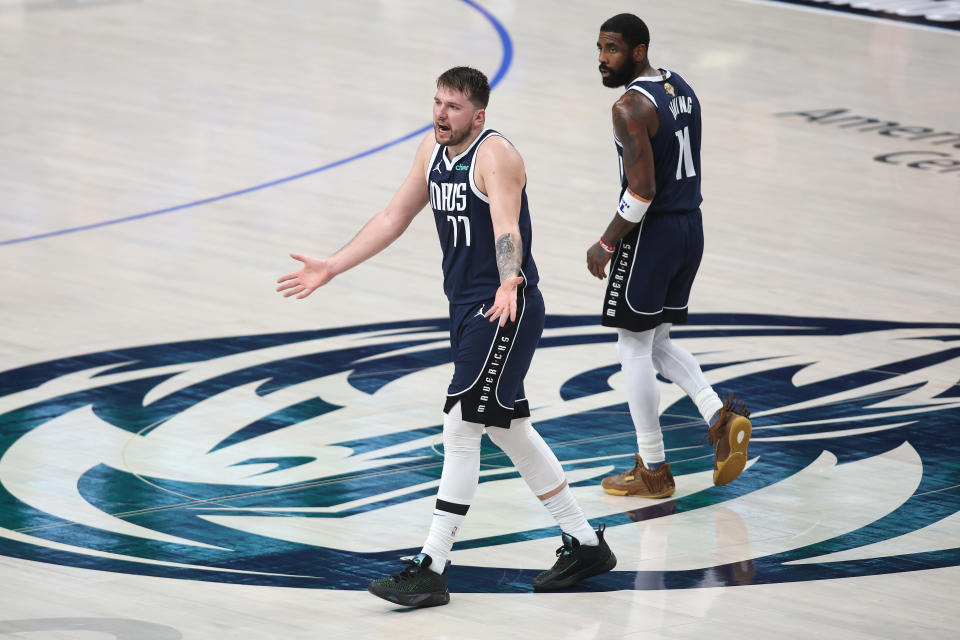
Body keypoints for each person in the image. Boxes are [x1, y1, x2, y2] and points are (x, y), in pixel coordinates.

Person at [277, 66, 615, 607]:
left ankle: (432, 564)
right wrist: (332, 267)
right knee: (509, 431)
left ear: (478, 115)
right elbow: (393, 216)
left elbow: (507, 225)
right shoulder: (431, 152)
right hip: (465, 310)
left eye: (453, 107)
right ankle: (582, 541)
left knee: (461, 426)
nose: (440, 113)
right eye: (437, 102)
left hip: (504, 307)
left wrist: (509, 281)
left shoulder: (495, 155)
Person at [586, 14, 752, 498]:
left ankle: (653, 468)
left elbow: (641, 192)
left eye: (612, 49)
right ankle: (720, 419)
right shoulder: (680, 86)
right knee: (656, 341)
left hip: (652, 234)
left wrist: (606, 243)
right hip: (690, 228)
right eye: (599, 48)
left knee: (632, 348)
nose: (601, 59)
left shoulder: (629, 107)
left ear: (638, 51)